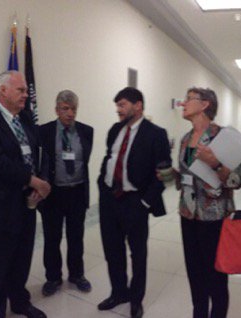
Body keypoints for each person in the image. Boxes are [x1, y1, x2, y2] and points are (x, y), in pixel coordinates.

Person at [0, 70, 49, 318]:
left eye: (26, 90)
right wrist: (32, 179)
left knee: (21, 256)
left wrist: (39, 183)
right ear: (2, 90)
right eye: (21, 90)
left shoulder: (25, 118)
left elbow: (39, 152)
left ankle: (19, 301)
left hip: (25, 203)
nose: (27, 95)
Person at [97, 87, 171, 318]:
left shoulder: (156, 134)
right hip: (110, 200)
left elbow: (165, 175)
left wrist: (146, 203)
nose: (118, 110)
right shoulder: (115, 130)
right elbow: (109, 158)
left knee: (138, 254)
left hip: (135, 202)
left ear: (138, 105)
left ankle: (136, 299)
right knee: (112, 250)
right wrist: (102, 184)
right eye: (117, 105)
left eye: (122, 105)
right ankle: (119, 292)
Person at [173, 87, 241, 318]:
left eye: (188, 99)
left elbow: (237, 180)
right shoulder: (185, 140)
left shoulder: (223, 137)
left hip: (214, 219)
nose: (183, 104)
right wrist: (170, 175)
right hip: (188, 215)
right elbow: (187, 179)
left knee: (216, 277)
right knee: (195, 274)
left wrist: (214, 163)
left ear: (204, 105)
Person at [36, 90, 94, 296]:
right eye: (65, 109)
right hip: (53, 194)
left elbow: (84, 163)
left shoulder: (87, 131)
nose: (70, 113)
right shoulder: (44, 131)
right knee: (52, 238)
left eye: (74, 109)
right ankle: (53, 277)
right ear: (57, 110)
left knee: (76, 237)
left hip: (77, 192)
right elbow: (37, 162)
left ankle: (77, 275)